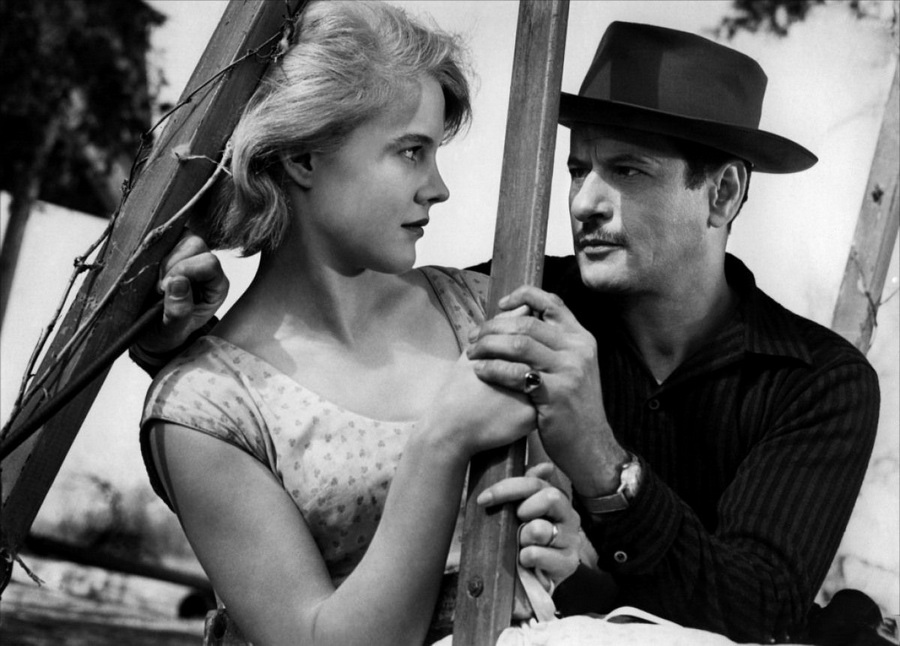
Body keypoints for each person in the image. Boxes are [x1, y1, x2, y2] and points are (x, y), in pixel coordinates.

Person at [140, 18, 885, 646]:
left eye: (628, 171)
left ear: (721, 193)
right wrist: (177, 348)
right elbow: (293, 379)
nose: (584, 202)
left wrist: (602, 481)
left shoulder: (818, 382)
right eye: (578, 169)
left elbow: (759, 614)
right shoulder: (515, 301)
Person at [137, 3, 591, 646]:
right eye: (410, 152)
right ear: (304, 157)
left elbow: (579, 573)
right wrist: (441, 442)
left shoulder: (480, 311)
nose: (437, 188)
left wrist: (570, 556)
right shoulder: (206, 407)